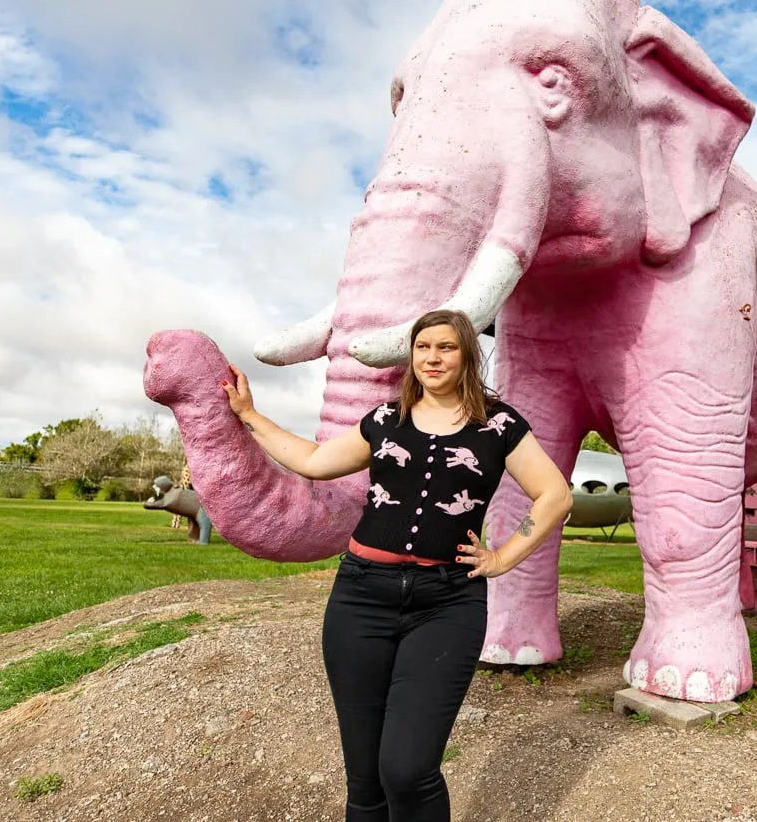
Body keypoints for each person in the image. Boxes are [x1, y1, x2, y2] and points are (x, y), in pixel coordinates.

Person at [222, 309, 572, 821]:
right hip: (361, 598)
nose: (433, 357)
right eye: (424, 346)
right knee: (365, 781)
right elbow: (315, 462)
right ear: (412, 355)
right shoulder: (386, 420)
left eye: (447, 347)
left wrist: (501, 558)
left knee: (407, 770)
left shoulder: (499, 425)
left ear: (468, 354)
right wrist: (251, 417)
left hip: (447, 603)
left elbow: (554, 496)